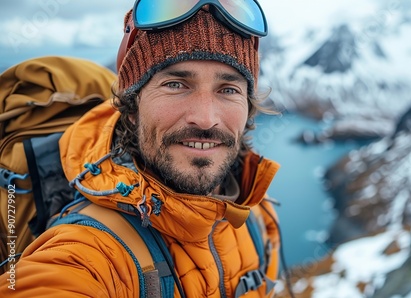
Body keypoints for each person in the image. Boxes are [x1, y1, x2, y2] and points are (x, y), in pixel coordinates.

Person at [0, 1, 284, 297]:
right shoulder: (88, 252)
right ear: (132, 106)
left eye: (228, 90)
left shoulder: (256, 215)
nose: (206, 118)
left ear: (248, 108)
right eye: (176, 84)